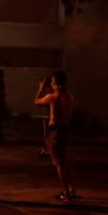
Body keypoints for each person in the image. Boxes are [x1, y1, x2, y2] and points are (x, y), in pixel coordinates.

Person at [34, 70, 76, 203]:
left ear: (55, 83)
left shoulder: (52, 97)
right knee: (63, 161)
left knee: (58, 163)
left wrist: (41, 89)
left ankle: (66, 193)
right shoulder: (70, 96)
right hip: (65, 130)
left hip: (56, 131)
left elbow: (36, 102)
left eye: (52, 82)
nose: (51, 84)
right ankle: (70, 189)